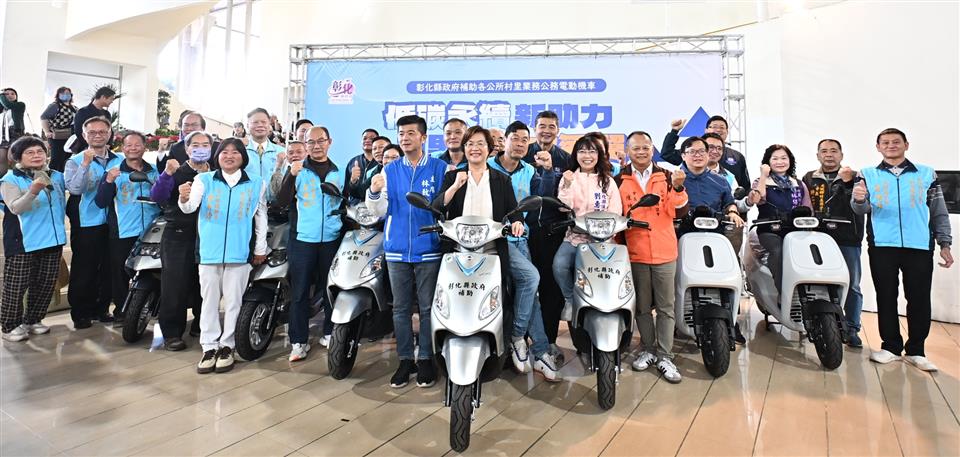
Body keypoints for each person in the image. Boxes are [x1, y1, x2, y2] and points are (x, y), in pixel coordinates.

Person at [852, 128, 953, 372]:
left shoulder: (926, 174)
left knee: (919, 298)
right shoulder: (867, 174)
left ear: (906, 144)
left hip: (919, 245)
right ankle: (890, 347)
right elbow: (860, 210)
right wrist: (858, 199)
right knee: (886, 296)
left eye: (896, 141)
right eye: (885, 142)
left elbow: (938, 211)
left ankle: (917, 350)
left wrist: (945, 243)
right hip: (882, 245)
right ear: (878, 147)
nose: (891, 145)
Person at [366, 115, 447, 388]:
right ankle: (404, 360)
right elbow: (378, 211)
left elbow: (445, 206)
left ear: (423, 137)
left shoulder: (439, 168)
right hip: (397, 248)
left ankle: (425, 359)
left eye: (411, 133)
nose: (405, 138)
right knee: (400, 308)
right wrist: (374, 192)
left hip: (429, 247)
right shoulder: (389, 170)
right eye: (401, 133)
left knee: (427, 307)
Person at [179, 138, 268, 373]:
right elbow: (189, 208)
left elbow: (261, 216)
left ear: (243, 157)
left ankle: (227, 346)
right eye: (224, 152)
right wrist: (183, 198)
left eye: (235, 152)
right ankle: (209, 346)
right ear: (217, 156)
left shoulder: (256, 183)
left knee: (234, 301)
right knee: (208, 301)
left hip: (239, 251)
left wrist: (260, 248)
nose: (229, 156)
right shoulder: (204, 180)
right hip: (209, 251)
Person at [487, 121, 561, 380]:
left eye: (524, 140)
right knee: (526, 283)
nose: (519, 144)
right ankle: (521, 340)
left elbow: (541, 199)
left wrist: (548, 171)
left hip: (520, 239)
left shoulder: (530, 170)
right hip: (492, 241)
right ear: (504, 140)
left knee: (530, 293)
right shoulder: (487, 166)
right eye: (515, 138)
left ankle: (537, 350)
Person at [615, 131, 688, 383]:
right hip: (635, 252)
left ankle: (665, 355)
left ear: (652, 149)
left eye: (645, 147)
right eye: (635, 148)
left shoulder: (667, 176)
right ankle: (647, 348)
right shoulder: (619, 179)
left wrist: (678, 188)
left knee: (666, 307)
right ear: (628, 151)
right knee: (642, 307)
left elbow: (678, 212)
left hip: (665, 250)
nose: (641, 152)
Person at [274, 126, 344, 361]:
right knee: (300, 291)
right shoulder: (298, 170)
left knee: (330, 289)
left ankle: (329, 332)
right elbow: (281, 201)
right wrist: (291, 175)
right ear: (305, 145)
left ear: (329, 142)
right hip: (303, 239)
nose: (316, 146)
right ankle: (298, 341)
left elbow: (347, 201)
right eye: (311, 142)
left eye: (320, 141)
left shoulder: (339, 171)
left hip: (331, 239)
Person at [0, 137, 66, 342]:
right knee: (16, 286)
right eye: (30, 152)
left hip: (53, 239)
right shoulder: (10, 179)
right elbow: (15, 208)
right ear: (18, 157)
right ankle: (10, 326)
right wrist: (33, 191)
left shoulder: (56, 176)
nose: (36, 155)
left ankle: (33, 319)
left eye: (40, 151)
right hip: (23, 240)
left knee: (45, 283)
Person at [802, 139, 865, 347]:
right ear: (817, 155)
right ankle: (821, 325)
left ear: (841, 155)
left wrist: (848, 183)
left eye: (834, 151)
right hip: (816, 238)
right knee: (818, 282)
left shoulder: (856, 177)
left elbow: (860, 205)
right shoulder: (809, 178)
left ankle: (852, 328)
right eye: (824, 151)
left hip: (848, 238)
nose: (829, 154)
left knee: (852, 284)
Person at [552, 135, 622, 322]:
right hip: (575, 237)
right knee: (559, 265)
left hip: (603, 240)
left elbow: (616, 211)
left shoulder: (608, 181)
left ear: (599, 155)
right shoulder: (569, 177)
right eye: (582, 151)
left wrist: (607, 233)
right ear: (576, 155)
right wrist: (567, 185)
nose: (587, 156)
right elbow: (563, 207)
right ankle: (569, 300)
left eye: (592, 151)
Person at [150, 131, 210, 350]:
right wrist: (167, 174)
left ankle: (202, 325)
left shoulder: (217, 173)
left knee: (206, 284)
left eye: (205, 145)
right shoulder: (176, 171)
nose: (200, 149)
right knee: (174, 285)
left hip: (209, 237)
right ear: (186, 149)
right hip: (178, 235)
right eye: (196, 145)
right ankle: (172, 333)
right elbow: (157, 196)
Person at [94, 131, 160, 323]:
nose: (133, 148)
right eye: (128, 145)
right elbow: (101, 202)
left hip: (151, 230)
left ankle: (149, 309)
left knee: (153, 270)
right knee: (120, 273)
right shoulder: (114, 172)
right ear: (122, 149)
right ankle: (122, 312)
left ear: (144, 147)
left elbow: (163, 197)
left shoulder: (154, 171)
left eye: (137, 145)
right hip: (123, 231)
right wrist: (108, 181)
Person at [64, 116, 123, 328]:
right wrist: (86, 164)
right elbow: (75, 189)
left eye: (102, 131)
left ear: (109, 134)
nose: (97, 135)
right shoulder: (75, 160)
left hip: (115, 220)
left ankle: (101, 308)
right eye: (92, 132)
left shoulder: (120, 159)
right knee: (85, 267)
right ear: (84, 135)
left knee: (108, 266)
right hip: (87, 220)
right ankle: (81, 312)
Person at [749, 144, 812, 290]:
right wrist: (764, 175)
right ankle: (783, 291)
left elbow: (808, 209)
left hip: (795, 230)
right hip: (770, 231)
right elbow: (757, 199)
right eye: (775, 158)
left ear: (790, 160)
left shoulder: (799, 184)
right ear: (768, 162)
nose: (780, 162)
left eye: (784, 158)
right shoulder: (761, 182)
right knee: (778, 251)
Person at [660, 116, 750, 189]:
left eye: (722, 127)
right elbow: (667, 154)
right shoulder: (693, 152)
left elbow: (745, 186)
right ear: (706, 130)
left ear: (727, 132)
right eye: (714, 127)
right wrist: (674, 131)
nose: (718, 130)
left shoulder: (737, 156)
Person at [244, 108, 285, 200]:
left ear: (269, 125)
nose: (260, 125)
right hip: (246, 203)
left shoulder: (281, 151)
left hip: (274, 205)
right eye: (255, 122)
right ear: (247, 125)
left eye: (264, 122)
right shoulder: (240, 151)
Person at [40, 87, 78, 172]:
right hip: (57, 135)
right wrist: (47, 131)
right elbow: (43, 117)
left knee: (66, 157)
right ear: (58, 95)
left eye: (68, 93)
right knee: (56, 157)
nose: (66, 95)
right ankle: (51, 176)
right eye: (63, 93)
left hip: (70, 136)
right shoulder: (55, 106)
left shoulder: (74, 108)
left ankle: (62, 175)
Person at [347, 135, 390, 203]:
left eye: (381, 147)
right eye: (374, 149)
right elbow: (360, 193)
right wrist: (353, 181)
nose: (377, 151)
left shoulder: (401, 164)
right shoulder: (376, 170)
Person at [72, 86, 115, 153]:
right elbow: (78, 131)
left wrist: (108, 144)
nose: (112, 101)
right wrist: (90, 146)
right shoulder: (83, 112)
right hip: (86, 148)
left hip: (104, 148)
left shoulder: (107, 113)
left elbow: (110, 130)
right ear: (103, 97)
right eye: (111, 99)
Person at [344, 129, 382, 204]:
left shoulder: (382, 163)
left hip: (375, 206)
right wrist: (353, 180)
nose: (367, 140)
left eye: (372, 138)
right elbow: (346, 190)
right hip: (355, 207)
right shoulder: (353, 162)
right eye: (365, 138)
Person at [1, 88, 27, 177]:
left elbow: (8, 104)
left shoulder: (20, 105)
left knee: (12, 157)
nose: (10, 95)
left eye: (13, 94)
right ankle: (3, 179)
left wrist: (1, 94)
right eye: (7, 94)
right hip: (3, 133)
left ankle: (16, 178)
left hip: (15, 132)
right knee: (2, 158)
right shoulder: (2, 109)